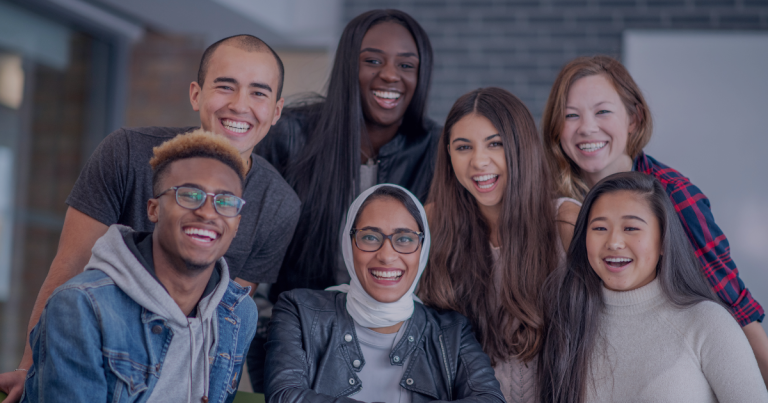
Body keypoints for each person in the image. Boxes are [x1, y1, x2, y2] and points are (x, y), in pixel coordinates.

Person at [0, 34, 300, 402]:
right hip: (100, 355)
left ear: (276, 110)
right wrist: (32, 367)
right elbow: (69, 268)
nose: (240, 106)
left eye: (258, 93)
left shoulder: (279, 204)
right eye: (225, 86)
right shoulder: (125, 153)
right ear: (196, 94)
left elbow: (224, 316)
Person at [541, 55, 768, 384]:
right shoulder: (548, 201)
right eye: (570, 116)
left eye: (603, 111)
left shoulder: (674, 195)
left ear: (634, 118)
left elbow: (735, 306)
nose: (586, 128)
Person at [20, 130, 258, 403]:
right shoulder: (80, 307)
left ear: (237, 224)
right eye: (190, 195)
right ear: (153, 209)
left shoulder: (238, 313)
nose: (207, 212)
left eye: (225, 201)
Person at [539, 171, 768, 403]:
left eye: (631, 228)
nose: (614, 243)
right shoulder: (568, 323)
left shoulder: (707, 323)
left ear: (663, 241)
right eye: (599, 228)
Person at [264, 184, 505, 403]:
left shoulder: (452, 331)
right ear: (349, 244)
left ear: (422, 249)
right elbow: (285, 396)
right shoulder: (298, 310)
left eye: (404, 239)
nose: (387, 255)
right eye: (370, 237)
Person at [257, 9, 439, 297]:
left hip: (395, 329)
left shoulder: (438, 151)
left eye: (406, 65)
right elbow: (250, 239)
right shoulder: (289, 134)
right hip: (298, 324)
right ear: (347, 66)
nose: (390, 74)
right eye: (373, 61)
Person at [418, 87, 560, 403]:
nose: (479, 161)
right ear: (448, 154)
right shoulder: (430, 223)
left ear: (521, 147)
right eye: (463, 147)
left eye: (495, 144)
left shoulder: (564, 221)